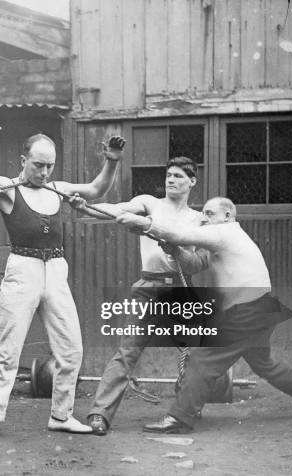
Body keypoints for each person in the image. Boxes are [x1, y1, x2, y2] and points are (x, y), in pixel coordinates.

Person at [0, 118, 125, 441]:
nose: (44, 173)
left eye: (50, 166)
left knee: (71, 348)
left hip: (56, 270)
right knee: (8, 349)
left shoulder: (57, 190)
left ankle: (61, 415)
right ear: (23, 161)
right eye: (38, 165)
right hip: (23, 268)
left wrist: (111, 162)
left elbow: (98, 189)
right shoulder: (7, 188)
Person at [116, 196, 292, 433]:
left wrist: (145, 224)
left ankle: (179, 418)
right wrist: (176, 252)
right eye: (204, 212)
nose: (204, 217)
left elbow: (179, 235)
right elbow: (192, 264)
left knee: (203, 359)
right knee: (265, 365)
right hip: (261, 309)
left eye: (210, 213)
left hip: (248, 312)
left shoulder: (225, 232)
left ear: (228, 216)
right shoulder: (220, 240)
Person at [71, 156, 203, 436]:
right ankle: (99, 414)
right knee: (127, 350)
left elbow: (196, 261)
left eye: (179, 176)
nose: (171, 179)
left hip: (180, 288)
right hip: (148, 287)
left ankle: (186, 412)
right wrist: (87, 206)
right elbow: (116, 209)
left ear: (192, 182)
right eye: (169, 175)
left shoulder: (197, 219)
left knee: (191, 353)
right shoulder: (149, 204)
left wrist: (178, 250)